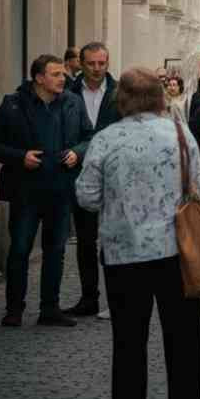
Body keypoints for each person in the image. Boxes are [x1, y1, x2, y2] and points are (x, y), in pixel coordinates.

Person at [74, 67, 200, 399]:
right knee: (184, 334)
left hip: (124, 253)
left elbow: (86, 197)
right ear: (159, 96)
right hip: (176, 250)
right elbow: (199, 189)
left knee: (128, 336)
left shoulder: (106, 139)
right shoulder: (180, 135)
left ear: (121, 99)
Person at [0, 54, 92, 328]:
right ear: (39, 78)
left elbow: (89, 137)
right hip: (25, 192)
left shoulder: (72, 102)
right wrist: (20, 157)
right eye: (55, 74)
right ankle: (14, 309)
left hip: (60, 190)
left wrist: (78, 153)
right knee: (19, 249)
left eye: (62, 74)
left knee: (55, 251)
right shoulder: (14, 104)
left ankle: (50, 308)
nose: (62, 78)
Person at [63, 42, 121, 317]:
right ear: (81, 64)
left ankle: (115, 299)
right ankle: (89, 298)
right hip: (79, 173)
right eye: (91, 63)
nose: (97, 69)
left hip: (114, 174)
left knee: (111, 238)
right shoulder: (68, 91)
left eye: (102, 63)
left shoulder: (121, 92)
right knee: (85, 240)